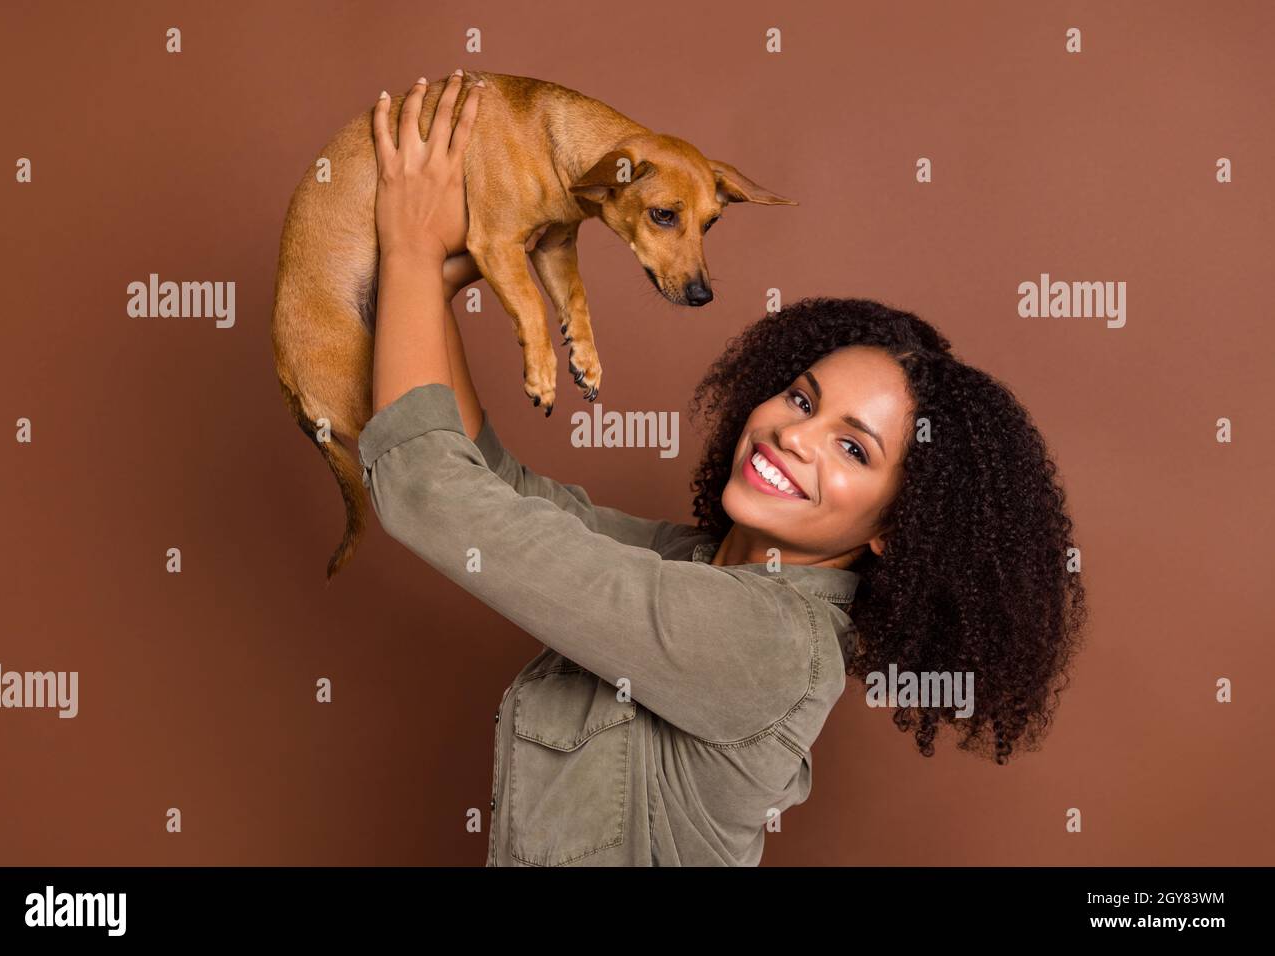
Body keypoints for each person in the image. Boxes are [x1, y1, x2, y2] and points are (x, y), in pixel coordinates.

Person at [360, 71, 1087, 866]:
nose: (795, 437)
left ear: (896, 527)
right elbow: (500, 490)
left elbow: (432, 496)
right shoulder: (699, 568)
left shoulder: (768, 644)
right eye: (801, 399)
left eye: (854, 448)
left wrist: (406, 250)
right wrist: (438, 281)